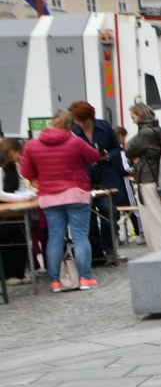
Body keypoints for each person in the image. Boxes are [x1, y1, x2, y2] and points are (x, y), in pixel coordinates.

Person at [20, 111, 103, 290]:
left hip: (49, 196)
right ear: (71, 125)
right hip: (76, 193)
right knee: (80, 236)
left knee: (55, 239)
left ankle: (56, 281)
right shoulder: (76, 141)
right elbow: (94, 156)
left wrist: (40, 178)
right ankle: (85, 278)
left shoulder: (32, 145)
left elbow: (26, 172)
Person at [68, 100, 123, 261]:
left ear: (90, 117)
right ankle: (95, 253)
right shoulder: (74, 131)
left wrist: (108, 156)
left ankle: (110, 248)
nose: (82, 124)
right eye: (78, 121)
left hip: (106, 176)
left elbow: (117, 148)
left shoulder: (104, 127)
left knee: (109, 213)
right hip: (85, 177)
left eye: (84, 120)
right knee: (88, 217)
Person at [123, 103, 161, 251]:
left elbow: (128, 150)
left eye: (133, 117)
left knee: (155, 217)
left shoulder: (146, 133)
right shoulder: (158, 130)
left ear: (139, 115)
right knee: (159, 214)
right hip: (155, 177)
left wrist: (136, 155)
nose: (132, 120)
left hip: (147, 179)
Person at [0, 137, 35, 284]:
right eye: (18, 153)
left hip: (13, 207)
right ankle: (9, 274)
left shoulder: (12, 166)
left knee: (20, 237)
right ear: (12, 152)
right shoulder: (3, 168)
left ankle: (19, 273)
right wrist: (22, 197)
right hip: (6, 209)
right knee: (8, 239)